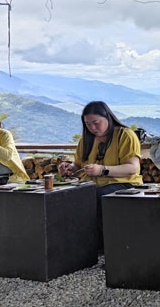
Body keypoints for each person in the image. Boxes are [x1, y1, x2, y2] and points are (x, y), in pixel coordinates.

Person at [57, 101, 142, 246]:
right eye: (88, 124)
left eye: (96, 123)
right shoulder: (86, 140)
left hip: (123, 184)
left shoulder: (125, 135)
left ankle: (108, 245)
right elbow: (78, 166)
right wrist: (69, 168)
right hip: (90, 185)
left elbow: (132, 168)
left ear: (108, 117)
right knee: (64, 196)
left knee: (97, 196)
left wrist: (102, 169)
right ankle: (76, 244)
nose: (92, 128)